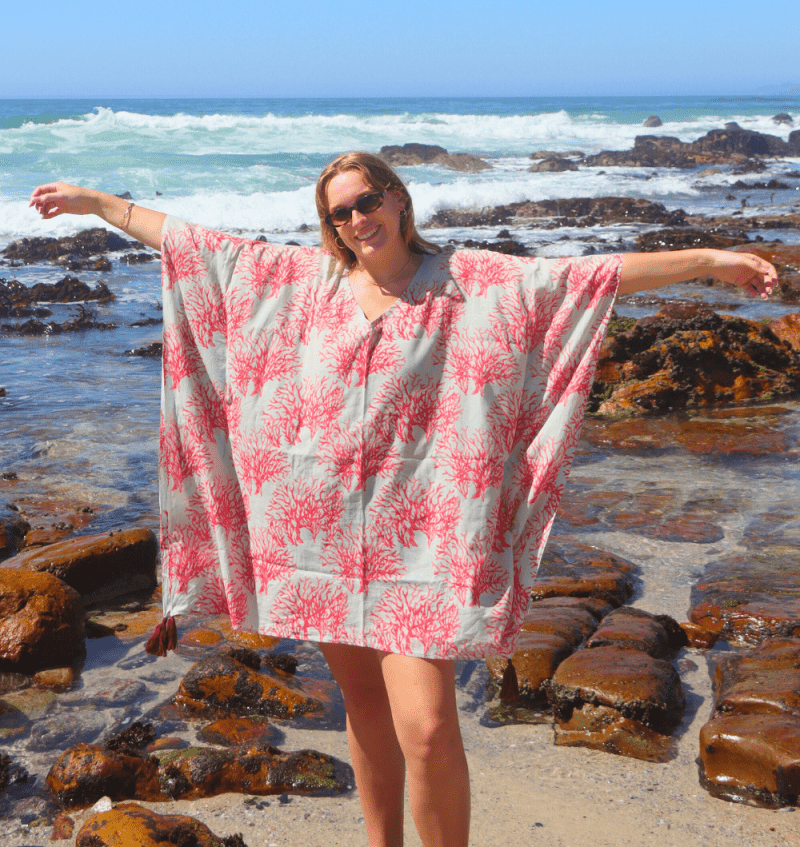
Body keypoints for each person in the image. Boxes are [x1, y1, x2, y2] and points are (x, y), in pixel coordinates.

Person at [30, 157, 776, 847]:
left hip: (421, 546)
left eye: (367, 201)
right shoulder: (304, 284)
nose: (357, 220)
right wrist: (98, 205)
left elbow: (586, 276)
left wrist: (711, 262)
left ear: (398, 198)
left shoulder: (469, 280)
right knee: (365, 712)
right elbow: (201, 247)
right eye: (338, 215)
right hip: (315, 538)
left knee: (425, 727)